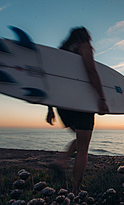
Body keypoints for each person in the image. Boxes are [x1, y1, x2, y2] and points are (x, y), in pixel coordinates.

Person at [46, 27, 109, 194]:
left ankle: (61, 162)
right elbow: (91, 71)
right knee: (83, 148)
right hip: (81, 103)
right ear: (86, 37)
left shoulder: (62, 53)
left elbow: (52, 80)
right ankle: (76, 189)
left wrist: (50, 108)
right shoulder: (84, 47)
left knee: (81, 139)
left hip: (62, 105)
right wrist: (102, 98)